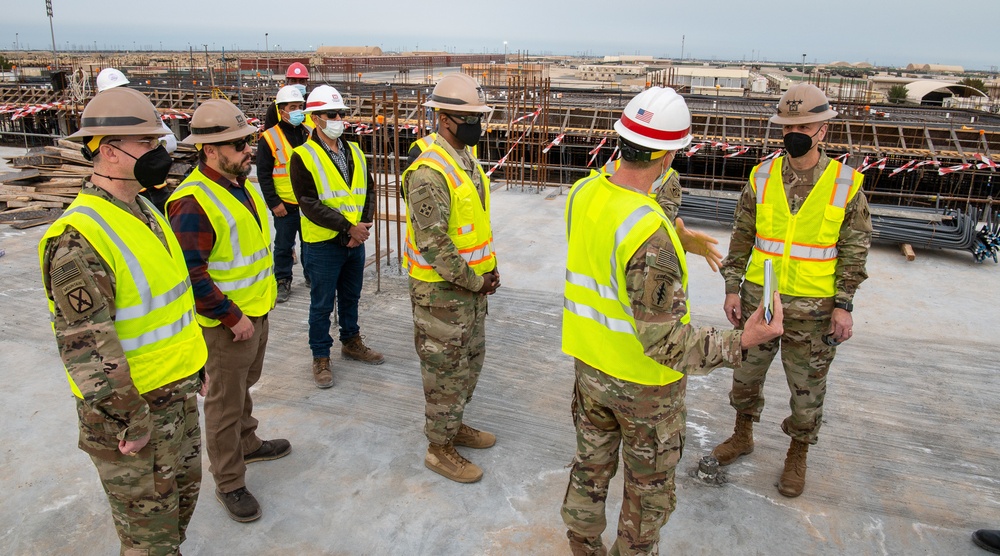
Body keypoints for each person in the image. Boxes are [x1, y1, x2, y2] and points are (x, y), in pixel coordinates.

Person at [559, 86, 785, 556]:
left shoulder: (583, 194)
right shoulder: (649, 234)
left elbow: (608, 258)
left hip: (590, 369)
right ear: (666, 157)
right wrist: (744, 339)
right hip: (644, 388)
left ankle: (581, 545)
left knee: (590, 467)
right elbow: (666, 343)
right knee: (647, 491)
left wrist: (678, 239)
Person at [39, 86, 208, 554]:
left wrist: (197, 367)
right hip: (132, 414)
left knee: (178, 513)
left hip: (174, 396)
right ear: (110, 152)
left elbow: (170, 305)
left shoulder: (145, 208)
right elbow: (87, 348)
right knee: (148, 538)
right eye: (148, 145)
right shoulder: (80, 237)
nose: (160, 152)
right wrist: (127, 418)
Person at [711, 83, 873, 498]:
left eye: (804, 124)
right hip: (759, 304)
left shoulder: (845, 183)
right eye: (787, 125)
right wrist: (732, 287)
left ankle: (797, 454)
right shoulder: (761, 175)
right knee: (745, 377)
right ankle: (742, 435)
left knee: (807, 393)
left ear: (823, 129)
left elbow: (855, 248)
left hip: (815, 312)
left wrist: (844, 305)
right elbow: (741, 235)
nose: (794, 132)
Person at [165, 99, 290, 523]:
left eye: (247, 140)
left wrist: (256, 309)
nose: (247, 150)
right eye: (237, 145)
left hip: (255, 310)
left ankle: (248, 444)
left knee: (243, 387)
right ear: (209, 150)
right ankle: (229, 481)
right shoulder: (192, 202)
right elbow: (191, 273)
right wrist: (230, 316)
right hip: (227, 323)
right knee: (223, 401)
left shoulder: (238, 184)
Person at [401, 73, 500, 484]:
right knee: (444, 371)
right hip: (442, 294)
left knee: (468, 364)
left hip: (469, 290)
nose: (478, 124)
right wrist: (477, 282)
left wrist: (488, 269)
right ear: (444, 118)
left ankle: (454, 425)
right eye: (469, 117)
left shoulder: (466, 159)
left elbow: (473, 225)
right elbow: (435, 245)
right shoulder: (429, 171)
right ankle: (438, 448)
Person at [289, 85, 383, 389]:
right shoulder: (303, 156)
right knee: (321, 304)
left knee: (351, 297)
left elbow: (368, 190)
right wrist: (348, 228)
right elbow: (308, 202)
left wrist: (364, 224)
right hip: (323, 245)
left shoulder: (354, 151)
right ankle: (320, 356)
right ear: (316, 118)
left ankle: (351, 340)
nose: (339, 119)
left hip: (355, 241)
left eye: (342, 113)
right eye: (332, 114)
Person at [95, 67, 178, 213]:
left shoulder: (143, 111)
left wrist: (149, 147)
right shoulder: (97, 121)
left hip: (155, 187)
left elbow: (171, 141)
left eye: (122, 89)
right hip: (123, 191)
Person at [258, 85, 310, 303]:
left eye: (300, 106)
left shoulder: (309, 133)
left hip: (308, 203)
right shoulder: (269, 138)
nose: (298, 110)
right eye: (293, 107)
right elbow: (263, 174)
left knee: (310, 243)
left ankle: (311, 276)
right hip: (285, 204)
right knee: (283, 245)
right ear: (282, 110)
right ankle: (282, 280)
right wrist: (274, 203)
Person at [263, 62, 311, 129]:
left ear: (306, 83)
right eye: (293, 81)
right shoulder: (275, 107)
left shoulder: (313, 104)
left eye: (302, 81)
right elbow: (269, 134)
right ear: (287, 82)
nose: (298, 84)